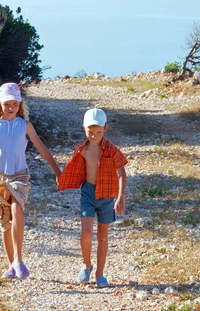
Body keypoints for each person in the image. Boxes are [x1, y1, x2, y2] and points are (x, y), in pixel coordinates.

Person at [0, 82, 61, 280]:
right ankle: (11, 265)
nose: (11, 108)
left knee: (17, 209)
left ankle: (19, 260)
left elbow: (42, 148)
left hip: (20, 176)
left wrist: (57, 170)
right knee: (5, 224)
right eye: (7, 104)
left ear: (20, 105)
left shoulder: (25, 125)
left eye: (15, 104)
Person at [58, 108, 128, 288]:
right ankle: (87, 265)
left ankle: (100, 274)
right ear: (84, 128)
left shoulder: (112, 151)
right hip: (88, 193)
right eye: (90, 132)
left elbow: (122, 174)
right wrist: (62, 177)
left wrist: (120, 198)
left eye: (98, 132)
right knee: (87, 232)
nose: (94, 135)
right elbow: (74, 169)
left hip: (106, 196)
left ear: (105, 128)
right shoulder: (81, 149)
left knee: (103, 237)